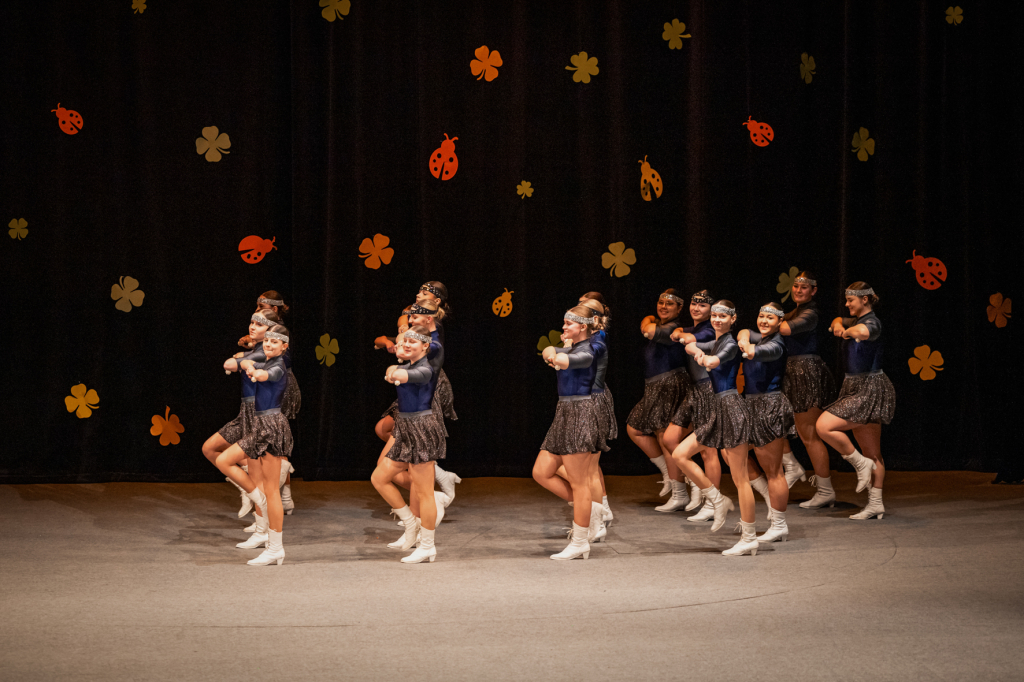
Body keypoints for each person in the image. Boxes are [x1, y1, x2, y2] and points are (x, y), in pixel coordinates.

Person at [672, 301, 758, 556]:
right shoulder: (717, 341)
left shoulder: (729, 343)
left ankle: (749, 537)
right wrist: (695, 349)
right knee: (680, 454)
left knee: (740, 478)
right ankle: (718, 499)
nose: (717, 319)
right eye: (715, 315)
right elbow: (691, 346)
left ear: (733, 319)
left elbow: (712, 361)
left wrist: (700, 355)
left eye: (723, 316)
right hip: (717, 409)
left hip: (731, 408)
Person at [533, 306, 609, 560]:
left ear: (583, 327)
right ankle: (591, 510)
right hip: (564, 413)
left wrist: (556, 355)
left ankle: (580, 542)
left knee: (579, 483)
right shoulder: (574, 347)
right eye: (564, 323)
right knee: (541, 472)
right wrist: (554, 352)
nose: (564, 328)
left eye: (569, 324)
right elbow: (549, 351)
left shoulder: (588, 350)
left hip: (581, 414)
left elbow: (563, 360)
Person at [215, 324, 294, 566]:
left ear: (284, 346)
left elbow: (264, 376)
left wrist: (250, 367)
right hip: (259, 425)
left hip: (271, 428)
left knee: (272, 490)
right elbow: (244, 365)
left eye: (274, 342)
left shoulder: (278, 366)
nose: (268, 344)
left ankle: (275, 548)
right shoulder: (266, 361)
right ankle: (257, 498)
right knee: (223, 460)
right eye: (266, 341)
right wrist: (248, 362)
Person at [816, 283, 895, 520]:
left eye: (851, 300)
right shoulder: (854, 319)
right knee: (872, 453)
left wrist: (847, 331)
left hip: (869, 387)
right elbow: (836, 321)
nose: (847, 304)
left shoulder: (872, 322)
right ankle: (875, 503)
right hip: (854, 386)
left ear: (865, 300)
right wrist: (840, 326)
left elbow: (863, 333)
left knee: (824, 426)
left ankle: (860, 464)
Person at [370, 326, 448, 563]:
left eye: (412, 342)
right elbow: (394, 370)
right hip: (404, 428)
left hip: (422, 429)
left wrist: (395, 372)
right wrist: (393, 369)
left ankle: (428, 546)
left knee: (424, 493)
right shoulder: (409, 365)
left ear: (425, 346)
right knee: (379, 478)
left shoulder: (426, 369)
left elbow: (403, 376)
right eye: (404, 342)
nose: (405, 345)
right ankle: (410, 524)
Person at [208, 310, 278, 529]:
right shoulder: (256, 350)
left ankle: (262, 525)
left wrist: (241, 359)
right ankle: (248, 492)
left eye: (259, 324)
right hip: (244, 413)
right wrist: (244, 355)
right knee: (210, 448)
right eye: (252, 322)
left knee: (254, 474)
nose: (252, 327)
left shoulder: (263, 353)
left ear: (270, 330)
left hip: (256, 414)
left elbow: (229, 364)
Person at [777, 272, 839, 509]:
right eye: (796, 286)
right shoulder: (793, 312)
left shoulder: (810, 313)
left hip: (806, 373)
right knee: (776, 423)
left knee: (809, 434)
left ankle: (826, 490)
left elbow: (785, 329)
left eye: (804, 287)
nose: (798, 290)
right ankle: (791, 465)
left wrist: (768, 320)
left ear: (813, 291)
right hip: (791, 373)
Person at [738, 303, 797, 543]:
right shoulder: (760, 337)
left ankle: (779, 524)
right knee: (732, 455)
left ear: (780, 322)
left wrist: (746, 346)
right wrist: (744, 340)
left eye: (770, 318)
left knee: (773, 471)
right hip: (750, 405)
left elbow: (754, 353)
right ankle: (766, 498)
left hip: (769, 406)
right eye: (761, 316)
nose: (763, 320)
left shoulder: (776, 344)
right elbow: (743, 332)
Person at [625, 290, 691, 505]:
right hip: (654, 386)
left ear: (679, 309)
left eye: (669, 304)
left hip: (669, 383)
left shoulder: (674, 328)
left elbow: (648, 329)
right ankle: (668, 473)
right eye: (661, 302)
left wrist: (647, 321)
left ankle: (679, 494)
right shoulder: (662, 325)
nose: (663, 306)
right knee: (634, 428)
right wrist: (648, 321)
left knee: (665, 438)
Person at [665, 290, 721, 515]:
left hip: (709, 389)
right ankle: (699, 483)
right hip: (695, 390)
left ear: (711, 311)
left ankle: (713, 503)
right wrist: (679, 331)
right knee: (670, 438)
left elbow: (687, 339)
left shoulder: (710, 328)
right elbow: (680, 333)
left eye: (702, 306)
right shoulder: (695, 327)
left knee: (709, 451)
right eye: (694, 304)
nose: (696, 308)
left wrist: (680, 332)